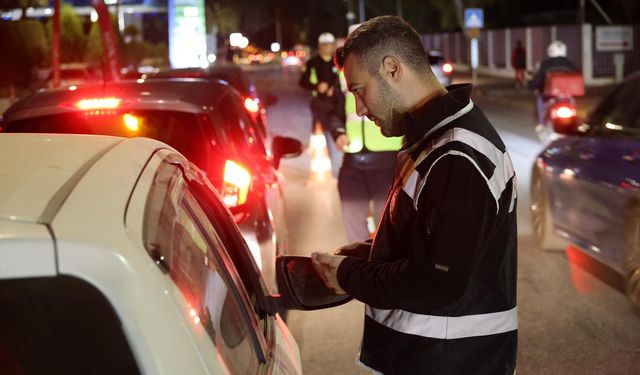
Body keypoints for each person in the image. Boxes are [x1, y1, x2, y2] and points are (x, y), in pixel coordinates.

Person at [311, 16, 518, 374]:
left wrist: (349, 276)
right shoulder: (434, 138)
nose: (359, 109)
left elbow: (437, 281)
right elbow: (430, 240)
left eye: (359, 90)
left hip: (449, 361)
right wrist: (368, 253)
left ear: (392, 69)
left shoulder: (457, 157)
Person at [332, 23, 403, 243]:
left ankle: (381, 272)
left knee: (388, 231)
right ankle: (360, 270)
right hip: (352, 162)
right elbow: (333, 110)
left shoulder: (390, 76)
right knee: (355, 235)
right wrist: (338, 132)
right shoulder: (343, 77)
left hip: (386, 162)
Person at [299, 32, 344, 175]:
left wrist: (334, 89)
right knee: (320, 135)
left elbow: (344, 80)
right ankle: (318, 171)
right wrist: (317, 86)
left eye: (330, 45)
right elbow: (303, 82)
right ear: (320, 46)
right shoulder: (313, 63)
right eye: (324, 45)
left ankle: (338, 170)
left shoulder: (339, 62)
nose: (327, 48)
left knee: (337, 133)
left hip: (338, 104)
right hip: (320, 104)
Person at [528, 40, 578, 125]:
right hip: (568, 96)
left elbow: (537, 80)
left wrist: (531, 85)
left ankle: (541, 123)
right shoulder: (571, 64)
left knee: (539, 98)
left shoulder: (546, 64)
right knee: (574, 104)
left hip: (549, 96)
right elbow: (577, 80)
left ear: (550, 51)